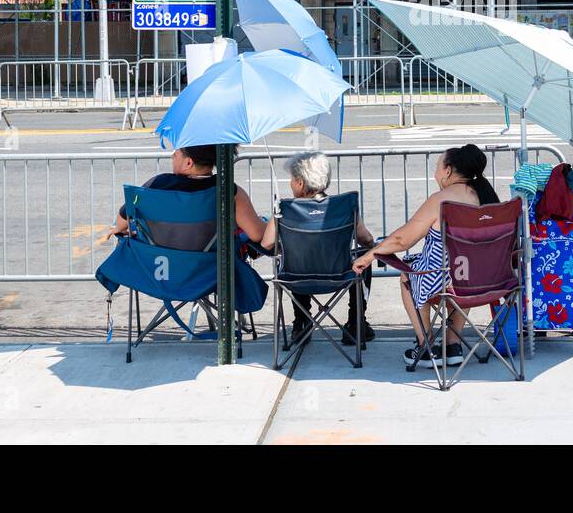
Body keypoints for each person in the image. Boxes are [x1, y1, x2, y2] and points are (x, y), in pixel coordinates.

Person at [352, 144, 499, 367]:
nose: (436, 172)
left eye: (437, 167)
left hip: (444, 279)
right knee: (464, 269)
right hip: (483, 280)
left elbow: (404, 240)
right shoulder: (486, 198)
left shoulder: (441, 200)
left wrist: (371, 254)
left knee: (408, 276)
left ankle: (427, 344)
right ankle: (452, 344)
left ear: (448, 171)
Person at [273, 151, 377, 348]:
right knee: (364, 258)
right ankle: (356, 323)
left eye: (292, 179)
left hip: (296, 278)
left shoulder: (285, 209)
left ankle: (301, 321)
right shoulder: (343, 207)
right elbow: (367, 239)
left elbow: (266, 244)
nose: (290, 183)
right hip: (339, 276)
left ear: (301, 183)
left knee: (298, 254)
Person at [112, 143, 267, 244]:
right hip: (210, 273)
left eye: (176, 154)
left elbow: (120, 223)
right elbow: (257, 234)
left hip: (158, 271)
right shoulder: (228, 190)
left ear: (188, 163)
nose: (173, 157)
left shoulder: (156, 185)